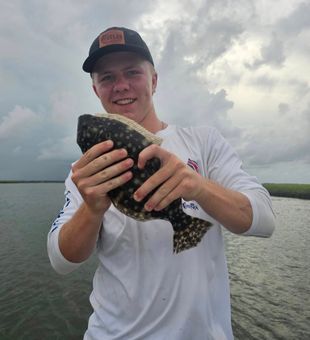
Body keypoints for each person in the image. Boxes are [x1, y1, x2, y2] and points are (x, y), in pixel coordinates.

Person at [47, 26, 275, 339]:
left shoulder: (203, 142)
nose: (121, 85)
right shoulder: (86, 170)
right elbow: (61, 262)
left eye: (132, 72)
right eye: (107, 77)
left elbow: (264, 219)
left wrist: (197, 186)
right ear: (96, 89)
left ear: (153, 80)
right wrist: (92, 208)